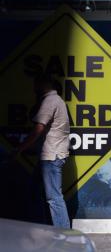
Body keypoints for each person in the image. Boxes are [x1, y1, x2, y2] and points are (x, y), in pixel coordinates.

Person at [14, 74, 71, 228]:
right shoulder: (57, 100)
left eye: (35, 84)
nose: (33, 87)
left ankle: (64, 233)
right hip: (50, 155)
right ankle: (38, 226)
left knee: (54, 198)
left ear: (42, 84)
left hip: (51, 157)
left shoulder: (50, 101)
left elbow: (39, 128)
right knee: (34, 191)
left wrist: (21, 148)